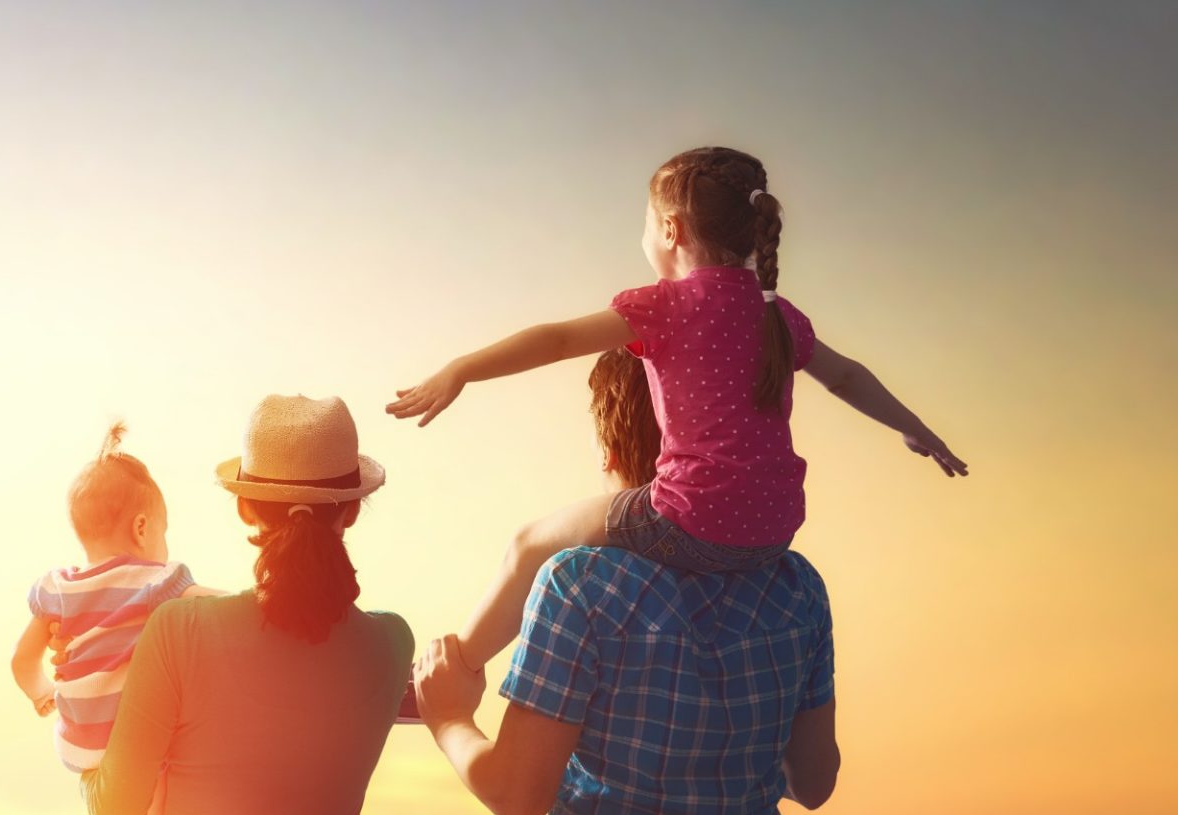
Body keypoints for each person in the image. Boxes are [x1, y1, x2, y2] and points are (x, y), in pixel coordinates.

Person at [412, 347, 842, 815]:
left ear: (611, 449)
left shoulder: (578, 584)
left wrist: (449, 717)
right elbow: (816, 779)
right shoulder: (796, 585)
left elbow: (518, 795)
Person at [387, 145, 966, 676]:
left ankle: (452, 671)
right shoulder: (777, 315)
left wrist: (461, 368)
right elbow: (845, 377)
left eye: (645, 221)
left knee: (530, 544)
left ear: (670, 229)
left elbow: (557, 340)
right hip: (775, 529)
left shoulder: (663, 306)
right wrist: (915, 430)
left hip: (690, 518)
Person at [81, 394, 412, 815]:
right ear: (350, 509)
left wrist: (84, 735)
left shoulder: (178, 633)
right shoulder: (387, 645)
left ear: (242, 507)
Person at [10, 422, 221, 815]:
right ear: (144, 527)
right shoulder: (153, 582)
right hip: (131, 745)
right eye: (165, 533)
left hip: (82, 748)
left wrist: (43, 694)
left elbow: (21, 660)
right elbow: (217, 608)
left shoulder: (58, 590)